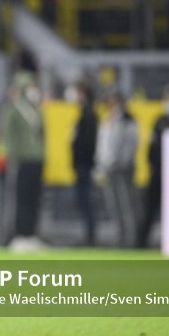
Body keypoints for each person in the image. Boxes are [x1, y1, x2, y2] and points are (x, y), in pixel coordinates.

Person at [136, 85, 169, 248]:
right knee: (149, 210)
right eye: (167, 100)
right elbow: (151, 147)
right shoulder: (160, 121)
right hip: (158, 172)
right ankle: (140, 244)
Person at [0, 65, 45, 248]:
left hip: (36, 161)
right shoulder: (14, 110)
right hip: (21, 161)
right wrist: (13, 157)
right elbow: (8, 135)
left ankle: (32, 233)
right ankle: (20, 235)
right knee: (21, 199)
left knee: (35, 198)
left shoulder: (36, 110)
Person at [95, 89, 138, 247]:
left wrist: (121, 163)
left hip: (122, 170)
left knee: (126, 206)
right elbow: (103, 144)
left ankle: (131, 240)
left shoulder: (127, 119)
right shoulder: (107, 119)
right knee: (114, 206)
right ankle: (120, 238)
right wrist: (101, 165)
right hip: (108, 169)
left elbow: (131, 144)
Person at [70, 80, 98, 246]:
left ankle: (90, 236)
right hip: (82, 164)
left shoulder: (88, 114)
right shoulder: (85, 113)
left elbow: (87, 143)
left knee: (86, 200)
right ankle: (88, 234)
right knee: (83, 200)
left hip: (84, 165)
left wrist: (81, 160)